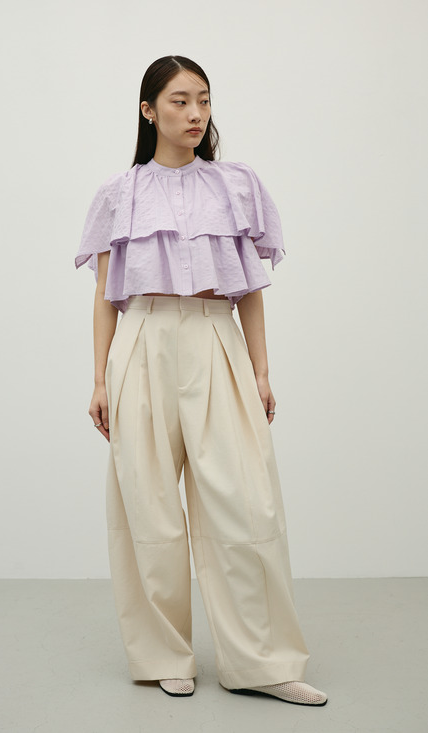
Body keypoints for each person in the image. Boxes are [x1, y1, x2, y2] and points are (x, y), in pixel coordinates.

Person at [75, 55, 328, 706]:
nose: (195, 114)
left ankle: (263, 661)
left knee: (247, 502)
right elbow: (105, 294)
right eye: (180, 100)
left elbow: (250, 290)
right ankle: (163, 653)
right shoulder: (119, 193)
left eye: (204, 101)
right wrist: (99, 379)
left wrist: (261, 369)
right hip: (143, 338)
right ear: (148, 110)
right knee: (148, 504)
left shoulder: (236, 185)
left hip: (218, 337)